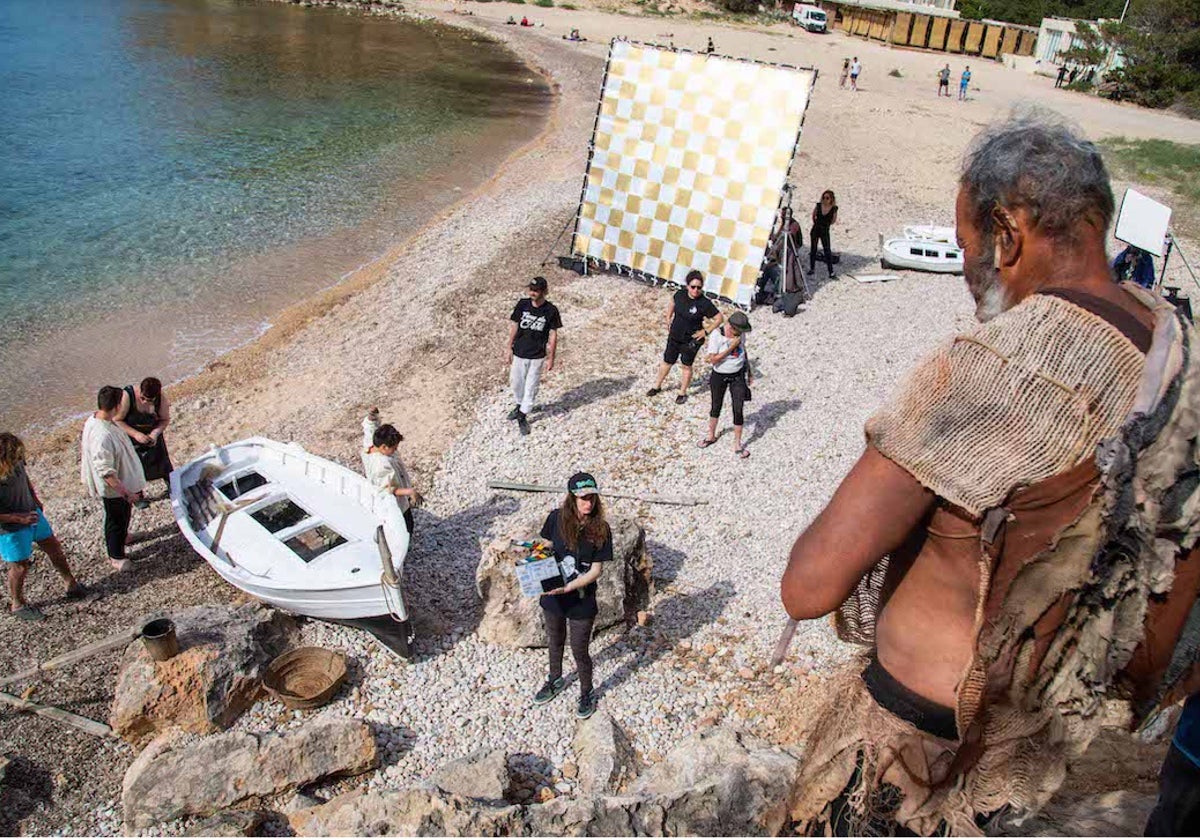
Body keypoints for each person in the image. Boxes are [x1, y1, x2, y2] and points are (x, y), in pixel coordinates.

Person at [781, 114, 1200, 834]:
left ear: (1008, 232)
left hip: (910, 751)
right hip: (1027, 756)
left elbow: (810, 585)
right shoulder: (1173, 352)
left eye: (969, 246)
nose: (969, 271)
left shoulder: (994, 363)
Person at [532, 472, 612, 720]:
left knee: (580, 650)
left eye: (592, 498)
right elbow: (545, 545)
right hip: (552, 595)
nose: (589, 503)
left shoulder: (601, 529)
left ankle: (586, 692)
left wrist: (569, 587)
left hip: (581, 600)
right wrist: (531, 555)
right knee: (554, 642)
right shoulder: (555, 519)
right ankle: (554, 679)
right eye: (583, 498)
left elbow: (596, 571)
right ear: (572, 498)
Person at [1, 433, 86, 621]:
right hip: (10, 529)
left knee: (54, 548)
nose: (20, 458)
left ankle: (70, 584)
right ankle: (17, 603)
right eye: (15, 455)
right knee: (20, 566)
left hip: (32, 514)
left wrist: (35, 498)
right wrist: (18, 518)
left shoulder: (16, 460)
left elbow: (26, 479)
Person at [81, 386, 147, 573]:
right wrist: (126, 493)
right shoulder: (102, 435)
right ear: (117, 405)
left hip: (124, 479)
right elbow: (106, 472)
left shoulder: (98, 419)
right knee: (115, 520)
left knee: (123, 516)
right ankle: (116, 556)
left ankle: (125, 536)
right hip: (116, 488)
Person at [647, 270, 724, 404]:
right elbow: (672, 302)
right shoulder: (680, 295)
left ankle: (682, 392)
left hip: (691, 340)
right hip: (675, 336)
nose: (695, 290)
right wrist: (668, 317)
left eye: (699, 288)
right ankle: (657, 386)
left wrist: (706, 331)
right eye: (693, 287)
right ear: (687, 286)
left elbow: (719, 318)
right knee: (667, 361)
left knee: (686, 365)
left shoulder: (704, 303)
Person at [506, 276, 561, 436]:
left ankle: (523, 415)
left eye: (536, 290)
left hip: (537, 355)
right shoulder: (522, 305)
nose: (532, 293)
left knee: (531, 385)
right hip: (519, 351)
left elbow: (553, 334)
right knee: (516, 382)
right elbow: (515, 325)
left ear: (544, 292)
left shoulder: (551, 310)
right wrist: (508, 347)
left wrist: (551, 357)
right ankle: (519, 404)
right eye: (531, 289)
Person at [698, 311, 753, 459]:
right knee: (716, 405)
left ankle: (737, 444)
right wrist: (730, 347)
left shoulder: (740, 334)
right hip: (719, 375)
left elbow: (743, 351)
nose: (740, 333)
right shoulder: (717, 335)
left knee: (738, 407)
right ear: (731, 326)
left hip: (737, 375)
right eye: (738, 330)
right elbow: (713, 360)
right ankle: (711, 435)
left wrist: (749, 370)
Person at [361, 409, 421, 535]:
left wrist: (372, 417)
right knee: (406, 527)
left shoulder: (372, 444)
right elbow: (388, 489)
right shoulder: (381, 465)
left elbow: (370, 429)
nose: (395, 450)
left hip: (400, 498)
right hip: (397, 505)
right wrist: (410, 492)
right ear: (384, 447)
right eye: (393, 448)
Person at [114, 377, 173, 488]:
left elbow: (165, 420)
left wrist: (155, 434)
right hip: (131, 434)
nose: (145, 402)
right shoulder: (127, 396)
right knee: (132, 467)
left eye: (150, 400)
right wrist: (136, 434)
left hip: (152, 434)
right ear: (140, 391)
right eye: (142, 398)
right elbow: (117, 420)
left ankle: (172, 486)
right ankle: (138, 494)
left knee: (163, 463)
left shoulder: (161, 399)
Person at [809, 190, 838, 280]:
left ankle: (831, 272)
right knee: (813, 249)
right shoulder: (818, 205)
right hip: (816, 228)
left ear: (831, 199)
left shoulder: (834, 209)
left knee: (827, 250)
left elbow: (833, 220)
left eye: (827, 198)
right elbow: (813, 216)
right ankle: (812, 268)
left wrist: (826, 224)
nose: (825, 200)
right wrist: (817, 223)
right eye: (824, 198)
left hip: (825, 230)